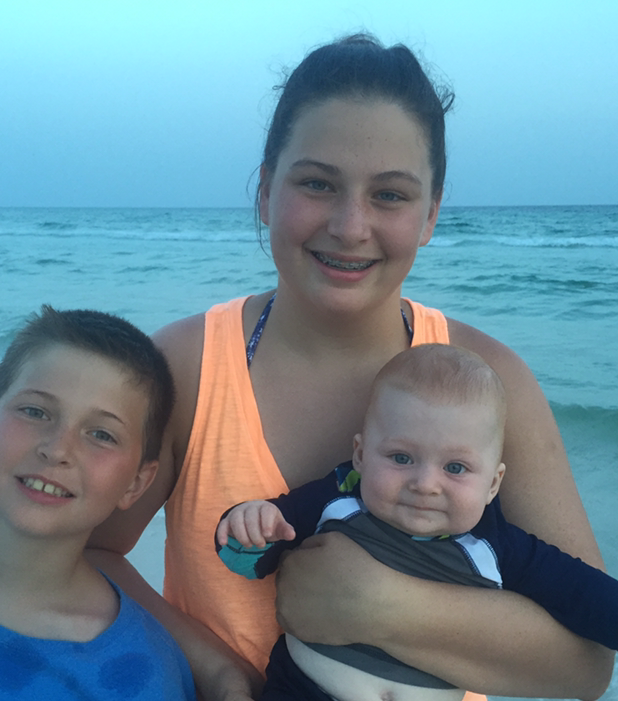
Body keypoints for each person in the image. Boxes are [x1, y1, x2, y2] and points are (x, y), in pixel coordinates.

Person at [87, 34, 614, 701]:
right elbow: (97, 552)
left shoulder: (493, 380)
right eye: (316, 183)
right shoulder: (188, 365)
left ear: (430, 214)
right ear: (265, 191)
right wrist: (216, 669)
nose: (349, 223)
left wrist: (379, 606)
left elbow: (584, 667)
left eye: (389, 195)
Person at [216, 344, 618, 700]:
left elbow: (585, 597)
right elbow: (252, 558)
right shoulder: (338, 499)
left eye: (455, 468)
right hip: (302, 690)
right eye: (402, 458)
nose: (425, 485)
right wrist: (249, 526)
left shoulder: (498, 547)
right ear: (360, 455)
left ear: (494, 484)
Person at [0, 305, 197, 700]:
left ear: (136, 483)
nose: (57, 449)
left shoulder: (142, 677)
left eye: (101, 434)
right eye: (35, 411)